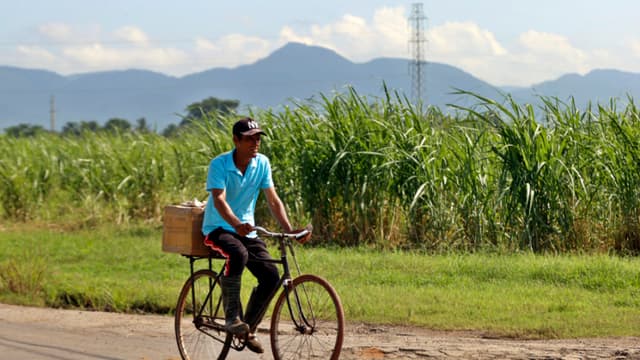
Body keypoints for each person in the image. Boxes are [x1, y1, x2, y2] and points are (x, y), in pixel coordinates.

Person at [201, 117, 295, 354]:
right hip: (218, 228)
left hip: (247, 230)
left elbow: (273, 200)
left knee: (272, 276)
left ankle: (247, 329)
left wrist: (290, 229)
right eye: (249, 138)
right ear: (236, 140)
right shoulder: (219, 164)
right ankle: (232, 317)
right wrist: (235, 223)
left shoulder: (261, 163)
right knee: (238, 254)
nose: (255, 143)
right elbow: (219, 199)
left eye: (258, 138)